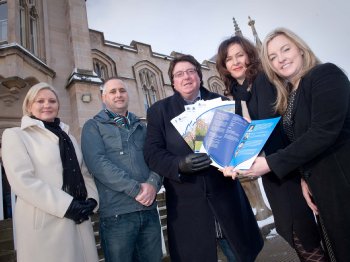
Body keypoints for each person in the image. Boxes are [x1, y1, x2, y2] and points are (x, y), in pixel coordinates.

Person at [224, 28, 350, 262]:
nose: (280, 59)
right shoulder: (290, 93)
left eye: (286, 49)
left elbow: (322, 132)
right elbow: (298, 139)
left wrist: (269, 162)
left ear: (300, 49)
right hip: (318, 184)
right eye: (272, 57)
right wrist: (304, 177)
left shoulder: (325, 74)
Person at [143, 54, 263, 262]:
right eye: (179, 74)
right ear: (173, 81)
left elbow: (238, 144)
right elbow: (152, 153)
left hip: (227, 199)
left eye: (191, 71)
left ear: (199, 76)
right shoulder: (159, 111)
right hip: (187, 207)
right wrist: (179, 164)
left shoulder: (222, 103)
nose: (186, 77)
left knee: (240, 256)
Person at [1, 82, 99, 262]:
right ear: (29, 106)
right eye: (40, 101)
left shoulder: (68, 136)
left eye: (52, 101)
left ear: (58, 106)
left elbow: (84, 172)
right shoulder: (15, 135)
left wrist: (92, 200)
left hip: (79, 221)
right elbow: (23, 181)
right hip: (46, 224)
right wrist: (67, 206)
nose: (47, 105)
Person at [81, 77, 163, 262]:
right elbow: (98, 163)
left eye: (122, 90)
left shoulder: (143, 127)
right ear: (103, 98)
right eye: (112, 91)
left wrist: (152, 184)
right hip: (117, 215)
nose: (118, 94)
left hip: (148, 210)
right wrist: (135, 189)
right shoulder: (93, 126)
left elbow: (157, 159)